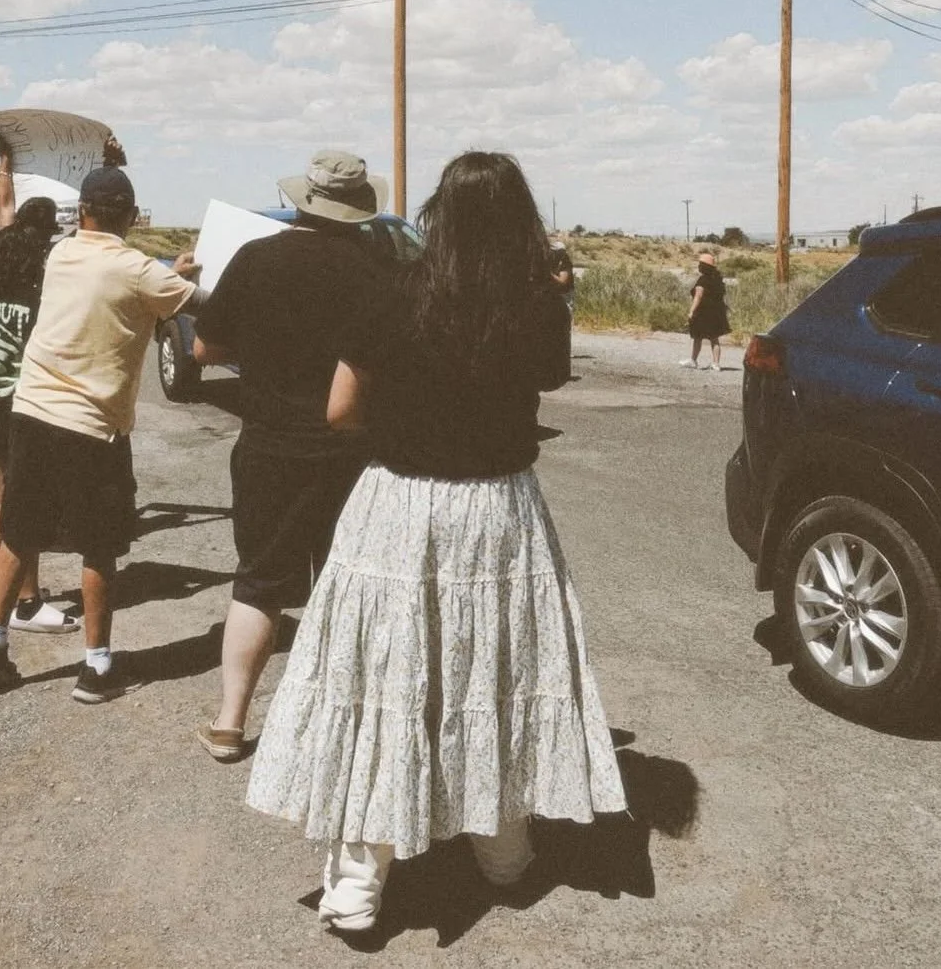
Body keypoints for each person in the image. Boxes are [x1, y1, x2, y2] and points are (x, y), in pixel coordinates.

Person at [245, 150, 626, 934]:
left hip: (399, 505)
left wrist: (402, 430)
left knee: (388, 673)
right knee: (495, 667)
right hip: (498, 512)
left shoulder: (395, 297)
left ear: (438, 214)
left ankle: (358, 882)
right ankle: (504, 851)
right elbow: (548, 383)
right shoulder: (538, 306)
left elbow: (342, 409)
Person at [0, 165, 201, 702]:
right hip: (93, 426)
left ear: (82, 213)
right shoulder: (142, 271)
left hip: (32, 410)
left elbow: (90, 245)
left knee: (21, 530)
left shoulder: (62, 254)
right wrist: (185, 274)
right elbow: (195, 306)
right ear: (133, 217)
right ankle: (96, 668)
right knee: (99, 546)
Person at [191, 150, 387, 763]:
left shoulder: (256, 258)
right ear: (356, 211)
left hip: (271, 444)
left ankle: (230, 722)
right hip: (353, 452)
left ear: (303, 200)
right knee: (346, 587)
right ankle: (339, 730)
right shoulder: (378, 271)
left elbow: (203, 350)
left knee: (258, 584)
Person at [0, 220, 78, 632]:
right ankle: (27, 600)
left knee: (2, 493)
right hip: (27, 408)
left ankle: (9, 589)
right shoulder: (36, 304)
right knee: (27, 502)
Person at [681, 251, 730, 371]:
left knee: (698, 337)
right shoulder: (717, 280)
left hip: (703, 313)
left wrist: (691, 311)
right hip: (716, 313)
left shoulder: (702, 280)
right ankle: (716, 364)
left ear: (704, 266)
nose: (699, 266)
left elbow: (698, 297)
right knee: (714, 338)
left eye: (700, 264)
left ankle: (693, 360)